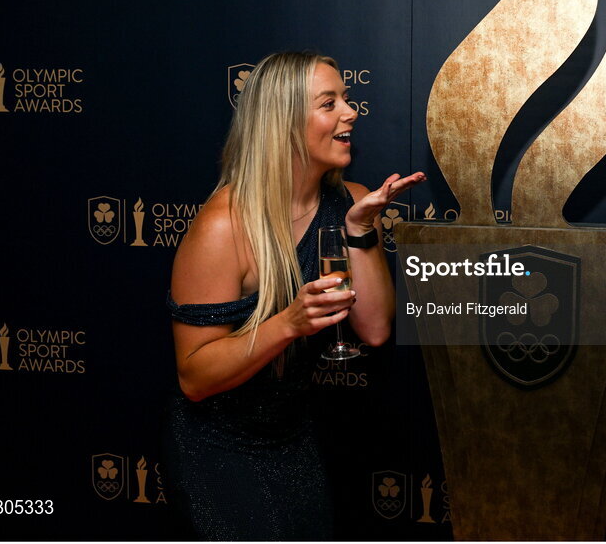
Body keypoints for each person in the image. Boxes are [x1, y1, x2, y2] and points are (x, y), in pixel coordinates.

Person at [162, 51, 425, 540]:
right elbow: (194, 378)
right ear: (283, 124)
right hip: (219, 450)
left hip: (294, 439)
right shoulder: (225, 224)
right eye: (329, 103)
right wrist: (288, 323)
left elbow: (374, 330)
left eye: (346, 98)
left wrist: (359, 230)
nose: (351, 112)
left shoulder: (349, 201)